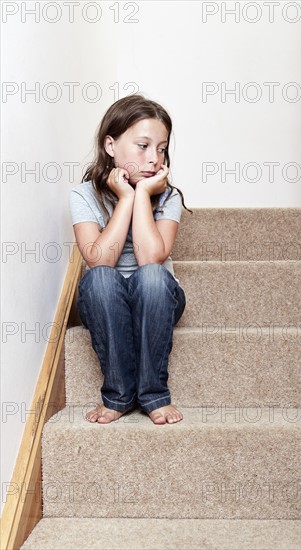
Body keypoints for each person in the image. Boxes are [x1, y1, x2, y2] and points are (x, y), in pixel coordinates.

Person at [69, 94, 192, 426]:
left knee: (151, 275)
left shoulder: (168, 197)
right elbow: (99, 261)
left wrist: (142, 194)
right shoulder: (84, 196)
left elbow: (150, 256)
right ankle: (118, 395)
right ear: (111, 145)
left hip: (157, 297)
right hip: (106, 298)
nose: (154, 158)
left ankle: (154, 394)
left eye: (162, 148)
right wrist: (124, 198)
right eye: (143, 146)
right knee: (99, 279)